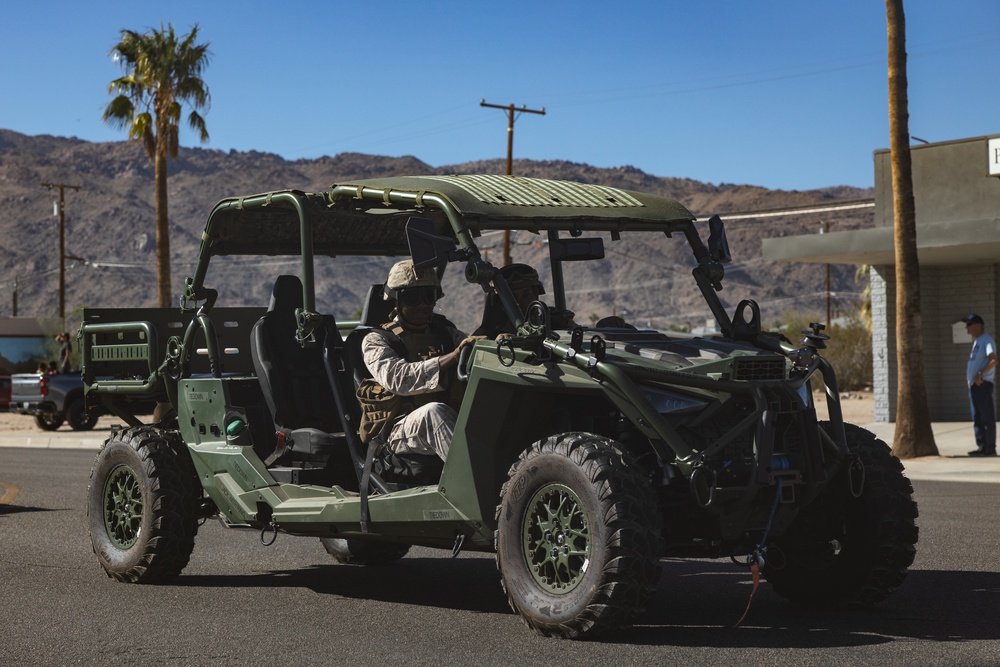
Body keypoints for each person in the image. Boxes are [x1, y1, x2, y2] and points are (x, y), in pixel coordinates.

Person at [359, 259, 477, 461]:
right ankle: (475, 487)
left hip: (450, 419)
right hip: (397, 430)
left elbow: (472, 352)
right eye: (413, 298)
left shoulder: (448, 334)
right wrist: (453, 357)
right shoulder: (377, 340)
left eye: (428, 297)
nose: (422, 304)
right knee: (434, 413)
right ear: (397, 300)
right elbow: (398, 379)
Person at [473, 263, 576, 338]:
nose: (521, 302)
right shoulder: (486, 338)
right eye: (513, 298)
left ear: (535, 295)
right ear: (501, 304)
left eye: (527, 294)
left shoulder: (554, 326)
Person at [963, 314, 997, 457]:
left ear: (978, 325)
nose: (967, 329)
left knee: (986, 417)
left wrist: (980, 375)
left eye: (969, 325)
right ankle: (982, 447)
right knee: (977, 417)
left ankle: (989, 448)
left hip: (982, 384)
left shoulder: (986, 340)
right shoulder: (977, 342)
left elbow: (994, 360)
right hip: (975, 386)